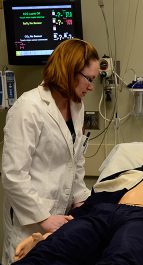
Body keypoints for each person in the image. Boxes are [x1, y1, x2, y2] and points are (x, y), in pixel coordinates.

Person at [11, 125, 143, 265]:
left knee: (123, 256)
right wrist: (45, 238)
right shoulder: (121, 175)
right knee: (50, 252)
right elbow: (86, 210)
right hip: (100, 216)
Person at [1, 38, 100, 265]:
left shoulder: (76, 105)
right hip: (29, 221)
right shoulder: (29, 108)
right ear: (70, 71)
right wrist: (44, 217)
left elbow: (75, 161)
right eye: (89, 79)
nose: (91, 86)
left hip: (61, 217)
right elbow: (13, 174)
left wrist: (82, 200)